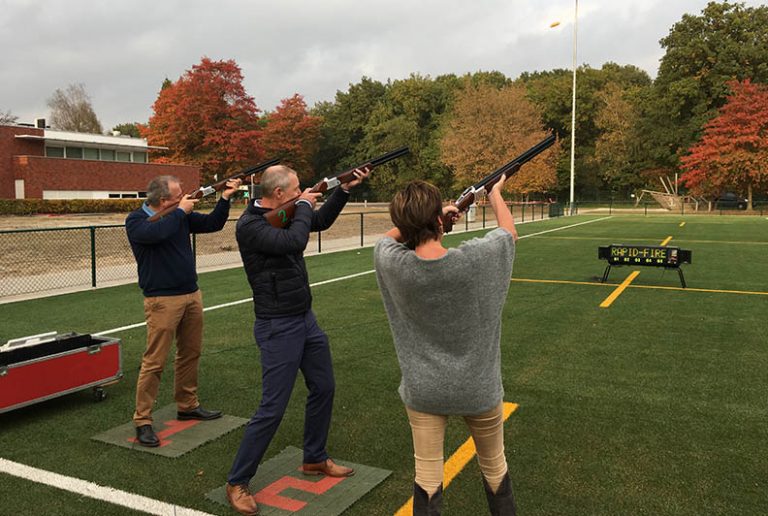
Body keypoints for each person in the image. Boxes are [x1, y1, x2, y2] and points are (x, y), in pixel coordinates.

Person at [225, 164, 369, 516]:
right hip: (277, 325)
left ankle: (314, 457)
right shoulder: (250, 225)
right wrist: (304, 204)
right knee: (272, 408)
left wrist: (343, 190)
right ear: (278, 194)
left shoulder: (286, 213)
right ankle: (237, 481)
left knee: (324, 387)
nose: (301, 193)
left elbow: (319, 222)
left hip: (304, 318)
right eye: (295, 190)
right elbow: (295, 240)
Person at [373, 177, 518, 515]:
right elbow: (508, 234)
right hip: (479, 388)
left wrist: (425, 222)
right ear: (439, 220)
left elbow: (387, 239)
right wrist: (494, 193)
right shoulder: (473, 260)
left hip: (423, 390)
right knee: (495, 467)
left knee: (427, 477)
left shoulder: (391, 261)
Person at [125, 175, 241, 447]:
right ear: (163, 200)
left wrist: (225, 198)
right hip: (161, 299)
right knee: (155, 361)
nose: (184, 197)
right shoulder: (137, 221)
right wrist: (180, 212)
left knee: (190, 353)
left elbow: (213, 224)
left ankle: (187, 405)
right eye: (178, 195)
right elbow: (156, 234)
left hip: (191, 293)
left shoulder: (179, 214)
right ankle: (143, 420)